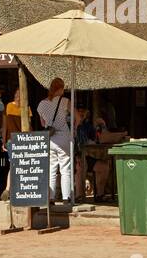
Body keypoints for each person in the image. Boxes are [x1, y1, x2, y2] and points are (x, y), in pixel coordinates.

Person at [37, 77, 72, 205]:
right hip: (63, 136)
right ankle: (66, 197)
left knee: (51, 168)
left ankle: (51, 198)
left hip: (50, 138)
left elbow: (43, 123)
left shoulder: (41, 104)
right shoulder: (65, 101)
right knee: (65, 168)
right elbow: (77, 117)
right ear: (61, 89)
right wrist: (74, 130)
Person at [73, 105, 113, 201]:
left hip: (87, 156)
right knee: (81, 166)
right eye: (79, 111)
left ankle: (100, 195)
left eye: (83, 111)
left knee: (104, 167)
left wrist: (103, 125)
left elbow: (99, 139)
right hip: (74, 157)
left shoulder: (88, 126)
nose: (81, 113)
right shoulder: (70, 126)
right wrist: (76, 156)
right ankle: (79, 197)